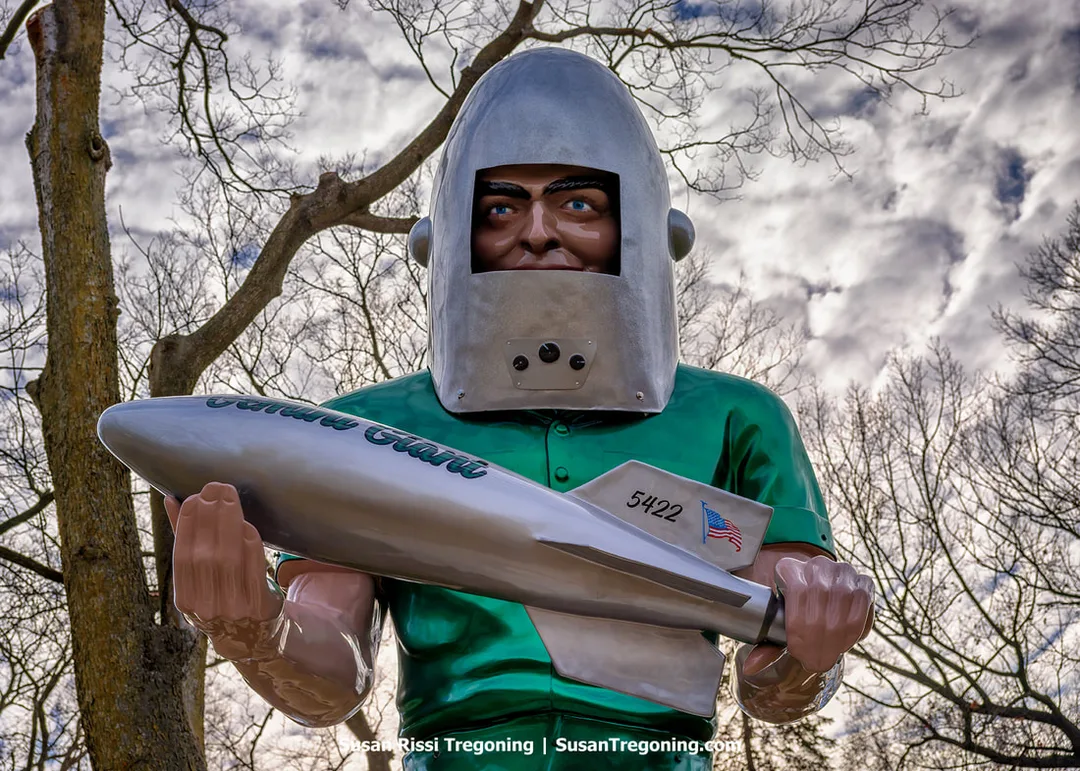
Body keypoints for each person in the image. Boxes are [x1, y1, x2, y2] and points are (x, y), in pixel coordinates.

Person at [165, 49, 874, 769]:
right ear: (447, 238)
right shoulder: (359, 433)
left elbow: (774, 681)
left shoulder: (736, 417)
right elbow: (331, 675)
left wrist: (808, 648)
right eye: (500, 207)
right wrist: (254, 627)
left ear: (641, 226)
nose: (538, 231)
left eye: (578, 203)